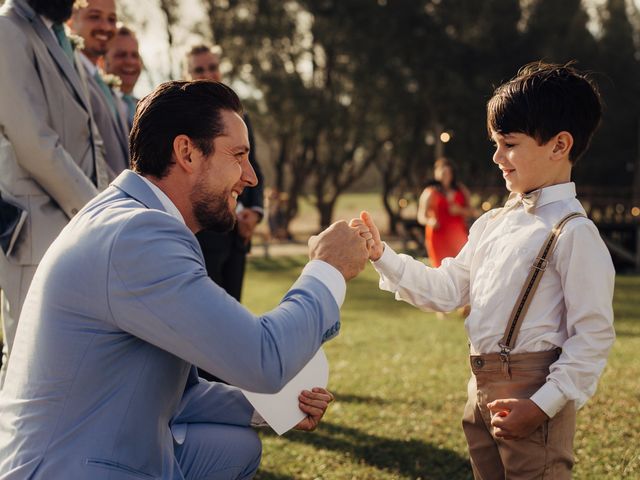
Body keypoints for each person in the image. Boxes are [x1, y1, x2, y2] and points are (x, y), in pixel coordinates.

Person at [0, 80, 371, 479]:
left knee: (236, 449)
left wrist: (273, 407)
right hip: (66, 467)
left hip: (95, 442)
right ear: (187, 152)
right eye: (238, 156)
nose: (251, 177)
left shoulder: (133, 217)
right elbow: (263, 358)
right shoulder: (137, 236)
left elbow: (180, 393)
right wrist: (327, 269)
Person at [353, 62, 615, 479]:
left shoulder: (573, 233)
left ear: (559, 145)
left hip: (535, 394)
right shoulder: (493, 223)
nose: (496, 157)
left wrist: (542, 405)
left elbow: (593, 336)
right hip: (479, 390)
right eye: (495, 143)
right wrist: (381, 254)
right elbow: (446, 289)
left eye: (508, 143)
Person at [0, 0, 107, 387]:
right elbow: (33, 142)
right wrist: (98, 212)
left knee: (65, 364)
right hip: (36, 230)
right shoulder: (6, 30)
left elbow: (90, 142)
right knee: (25, 366)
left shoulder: (56, 33)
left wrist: (119, 202)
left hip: (75, 224)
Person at [185, 44, 264, 303]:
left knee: (236, 310)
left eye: (212, 67)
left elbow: (252, 165)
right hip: (203, 237)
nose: (208, 74)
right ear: (187, 74)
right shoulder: (182, 121)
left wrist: (254, 211)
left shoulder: (240, 117)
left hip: (237, 236)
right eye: (199, 69)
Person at [68, 0, 129, 175]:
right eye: (94, 17)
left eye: (112, 19)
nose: (106, 27)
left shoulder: (106, 85)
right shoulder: (70, 75)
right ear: (71, 20)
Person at [417, 157, 472, 267]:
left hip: (458, 235)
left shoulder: (461, 190)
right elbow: (421, 216)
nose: (445, 176)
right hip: (438, 236)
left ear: (452, 174)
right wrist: (430, 221)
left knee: (462, 267)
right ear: (436, 174)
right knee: (440, 268)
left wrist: (459, 210)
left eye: (447, 173)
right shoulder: (430, 192)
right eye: (442, 173)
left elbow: (472, 212)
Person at [104, 24, 142, 131]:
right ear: (103, 60)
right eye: (121, 55)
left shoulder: (147, 107)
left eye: (135, 55)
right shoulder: (97, 104)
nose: (130, 62)